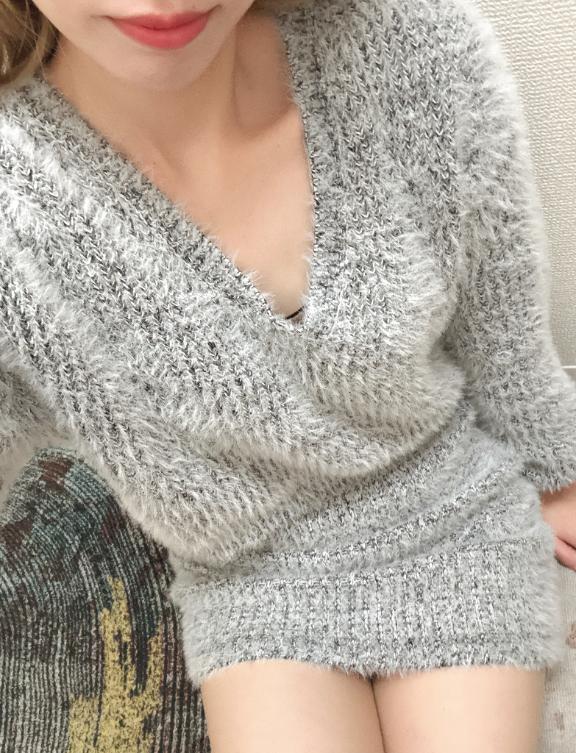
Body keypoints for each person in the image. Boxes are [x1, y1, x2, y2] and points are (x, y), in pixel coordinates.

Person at [1, 0, 575, 751]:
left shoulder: (408, 43)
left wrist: (554, 472)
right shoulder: (17, 199)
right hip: (252, 572)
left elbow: (495, 302)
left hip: (452, 511)